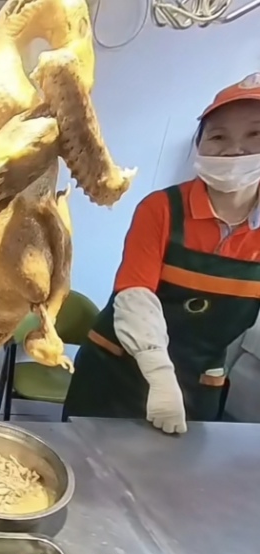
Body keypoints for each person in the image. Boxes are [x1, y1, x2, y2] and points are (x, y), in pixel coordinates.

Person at [63, 73, 260, 434]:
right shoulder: (162, 208)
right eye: (218, 137)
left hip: (198, 382)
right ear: (199, 145)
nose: (234, 150)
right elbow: (135, 294)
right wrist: (160, 374)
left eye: (255, 135)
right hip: (117, 368)